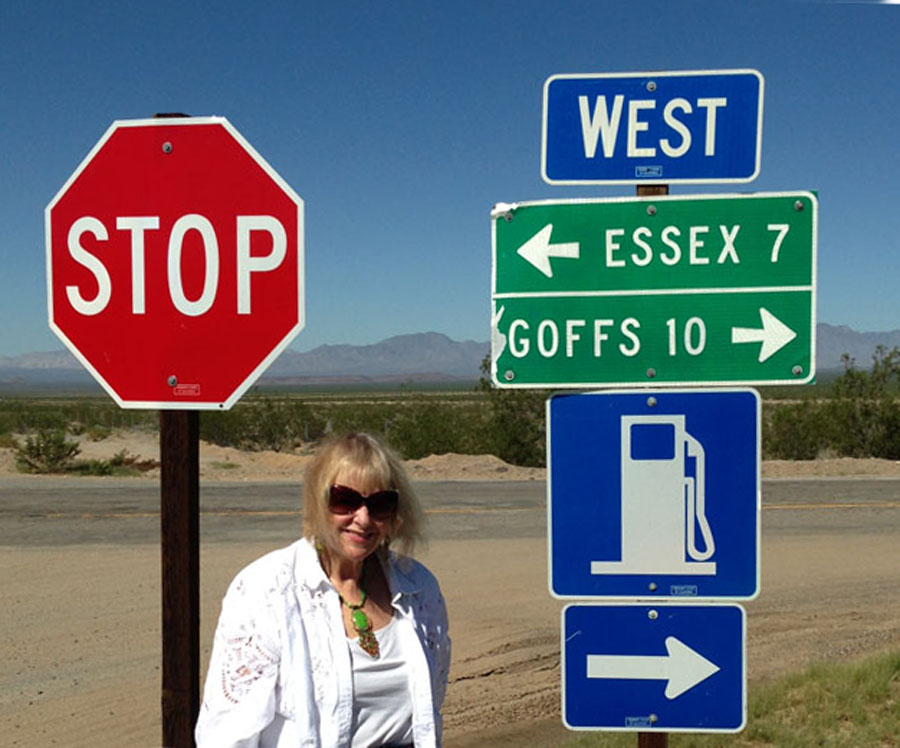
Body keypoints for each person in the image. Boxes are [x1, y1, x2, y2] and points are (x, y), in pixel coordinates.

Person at [195, 432, 451, 748]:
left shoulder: (419, 588)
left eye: (381, 504)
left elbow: (430, 706)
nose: (364, 519)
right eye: (345, 500)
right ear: (318, 501)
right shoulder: (267, 590)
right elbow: (227, 734)